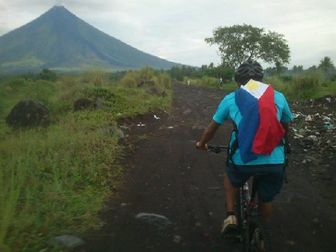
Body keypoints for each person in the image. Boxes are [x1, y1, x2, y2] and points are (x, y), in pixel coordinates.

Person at [196, 60, 293, 237]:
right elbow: (285, 126)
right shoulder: (278, 96)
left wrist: (201, 143)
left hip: (243, 160)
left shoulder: (231, 99)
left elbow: (212, 128)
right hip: (275, 160)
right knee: (266, 198)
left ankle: (231, 216)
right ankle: (262, 233)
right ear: (261, 79)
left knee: (230, 177)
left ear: (237, 81)